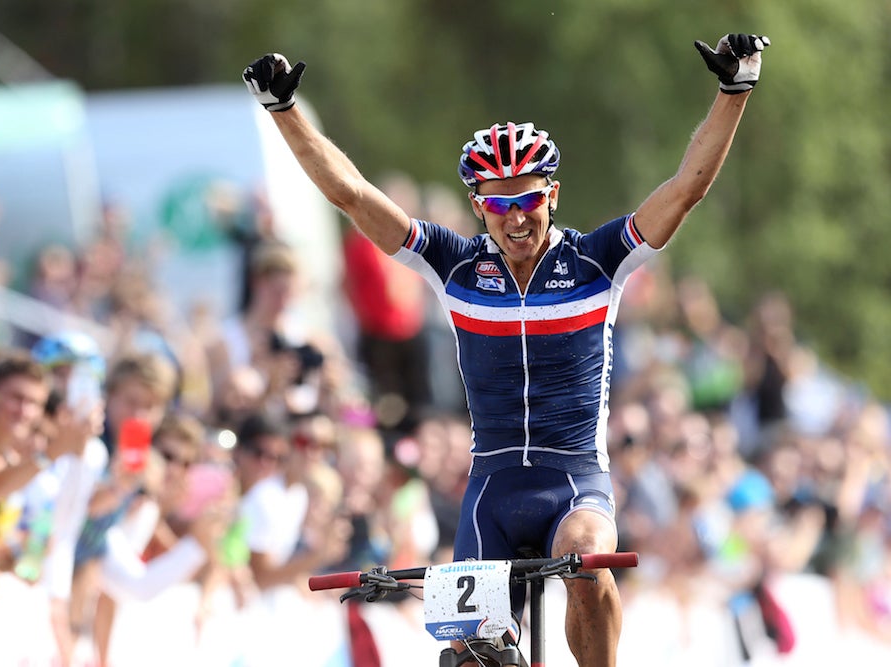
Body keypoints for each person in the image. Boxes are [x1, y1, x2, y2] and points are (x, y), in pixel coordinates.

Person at [243, 31, 770, 667]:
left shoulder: (599, 262)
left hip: (574, 481)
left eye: (527, 200)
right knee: (466, 659)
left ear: (551, 194)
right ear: (478, 206)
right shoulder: (454, 266)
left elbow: (686, 186)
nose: (515, 218)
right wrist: (285, 111)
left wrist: (733, 92)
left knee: (586, 564)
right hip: (490, 489)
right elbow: (352, 195)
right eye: (498, 205)